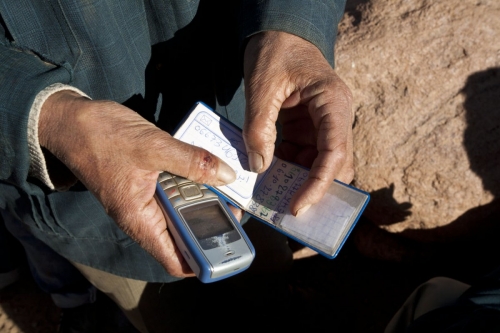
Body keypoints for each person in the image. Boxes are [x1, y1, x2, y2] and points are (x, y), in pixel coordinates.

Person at [0, 1, 354, 331]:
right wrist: (49, 116)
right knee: (167, 317)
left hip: (247, 153)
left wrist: (293, 25)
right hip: (91, 216)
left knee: (265, 277)